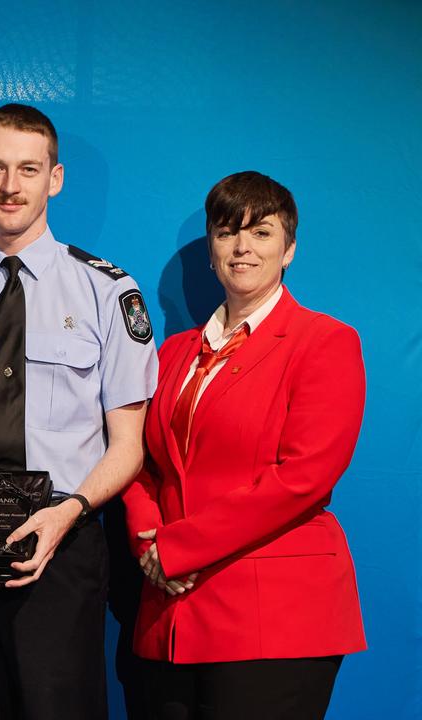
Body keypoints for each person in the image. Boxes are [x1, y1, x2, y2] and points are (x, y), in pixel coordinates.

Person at [0, 103, 157, 719]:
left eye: (28, 169)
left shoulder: (107, 291)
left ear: (55, 178)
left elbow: (129, 444)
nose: (11, 186)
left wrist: (67, 513)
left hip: (62, 546)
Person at [121, 171, 366, 719]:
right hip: (172, 610)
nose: (242, 247)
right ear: (210, 249)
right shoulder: (173, 354)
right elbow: (140, 464)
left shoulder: (325, 342)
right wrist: (148, 545)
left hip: (275, 617)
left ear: (289, 250)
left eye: (261, 233)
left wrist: (178, 550)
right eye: (228, 231)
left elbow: (304, 477)